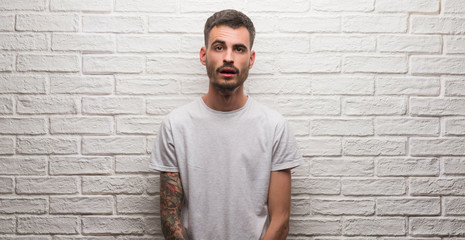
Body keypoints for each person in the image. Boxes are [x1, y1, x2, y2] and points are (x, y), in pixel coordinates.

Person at [150, 9, 304, 240]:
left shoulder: (275, 127)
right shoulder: (175, 125)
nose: (229, 58)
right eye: (219, 47)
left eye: (239, 49)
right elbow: (170, 219)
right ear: (204, 55)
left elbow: (280, 221)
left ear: (250, 59)